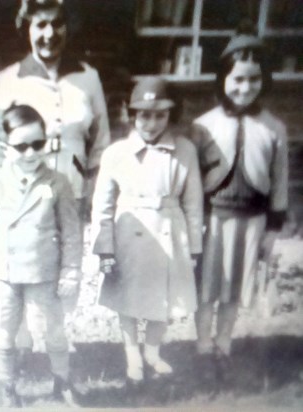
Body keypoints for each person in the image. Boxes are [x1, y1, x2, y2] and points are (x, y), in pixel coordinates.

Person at [0, 0, 110, 363]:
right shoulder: (8, 81)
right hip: (22, 198)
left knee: (62, 267)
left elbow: (99, 143)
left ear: (67, 27)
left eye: (57, 24)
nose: (49, 34)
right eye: (40, 25)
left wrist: (92, 195)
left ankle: (57, 346)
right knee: (23, 265)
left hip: (70, 190)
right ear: (26, 26)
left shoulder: (88, 77)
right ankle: (19, 347)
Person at [191, 28, 289, 379]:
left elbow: (279, 181)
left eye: (253, 80)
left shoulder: (274, 128)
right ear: (223, 79)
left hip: (253, 222)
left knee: (234, 288)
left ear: (264, 81)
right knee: (207, 288)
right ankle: (202, 346)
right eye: (237, 79)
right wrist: (193, 223)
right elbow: (191, 180)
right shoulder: (203, 126)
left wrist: (273, 229)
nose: (245, 88)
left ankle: (223, 345)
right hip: (213, 220)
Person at [91, 77, 203, 384]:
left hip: (169, 230)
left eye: (160, 115)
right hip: (130, 229)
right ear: (131, 115)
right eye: (144, 115)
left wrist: (194, 247)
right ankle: (132, 354)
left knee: (163, 297)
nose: (152, 124)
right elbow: (101, 205)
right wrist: (105, 248)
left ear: (171, 115)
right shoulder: (116, 153)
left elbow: (193, 203)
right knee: (127, 297)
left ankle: (152, 351)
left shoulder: (185, 151)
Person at [0, 104, 83, 407]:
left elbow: (72, 233)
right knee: (5, 332)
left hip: (44, 272)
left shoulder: (58, 182)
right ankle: (6, 387)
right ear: (5, 146)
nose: (31, 154)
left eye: (38, 144)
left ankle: (62, 382)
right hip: (7, 273)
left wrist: (71, 271)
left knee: (54, 331)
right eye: (21, 146)